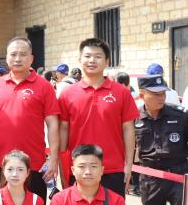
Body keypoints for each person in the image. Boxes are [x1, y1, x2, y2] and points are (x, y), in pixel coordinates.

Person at [58, 38, 138, 196]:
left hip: (113, 169)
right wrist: (63, 167)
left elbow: (128, 129)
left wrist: (129, 165)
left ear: (107, 61)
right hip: (79, 169)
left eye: (98, 56)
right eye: (87, 56)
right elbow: (63, 130)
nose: (92, 60)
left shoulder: (121, 92)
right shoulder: (67, 94)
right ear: (79, 60)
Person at [0, 37, 60, 201]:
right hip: (2, 162)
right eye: (13, 54)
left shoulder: (44, 86)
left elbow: (53, 124)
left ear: (31, 58)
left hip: (34, 163)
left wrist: (53, 158)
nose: (17, 58)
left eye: (23, 54)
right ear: (7, 57)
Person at [134, 74, 188, 205]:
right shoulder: (134, 118)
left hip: (178, 174)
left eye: (163, 93)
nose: (161, 97)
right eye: (155, 94)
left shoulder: (180, 115)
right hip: (150, 177)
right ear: (142, 95)